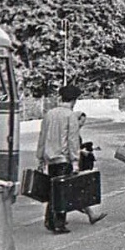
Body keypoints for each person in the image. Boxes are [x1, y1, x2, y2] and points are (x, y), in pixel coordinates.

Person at [37, 85, 82, 234]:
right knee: (62, 192)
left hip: (50, 158)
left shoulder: (49, 114)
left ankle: (49, 220)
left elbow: (42, 136)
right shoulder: (71, 116)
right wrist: (75, 161)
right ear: (74, 100)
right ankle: (59, 224)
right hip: (63, 158)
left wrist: (40, 158)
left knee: (52, 190)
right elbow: (73, 140)